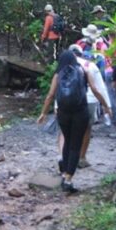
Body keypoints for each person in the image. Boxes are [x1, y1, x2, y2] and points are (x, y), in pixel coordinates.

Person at [37, 51, 111, 194]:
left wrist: (43, 113)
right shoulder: (84, 70)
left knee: (68, 142)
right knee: (76, 145)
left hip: (63, 113)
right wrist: (106, 106)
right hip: (80, 111)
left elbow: (50, 95)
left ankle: (65, 173)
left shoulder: (58, 75)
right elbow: (95, 90)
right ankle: (68, 179)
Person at [68, 44, 111, 169]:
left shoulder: (65, 65)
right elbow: (99, 87)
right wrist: (107, 106)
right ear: (81, 54)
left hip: (71, 100)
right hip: (90, 100)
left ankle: (69, 157)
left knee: (71, 129)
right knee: (87, 129)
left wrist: (57, 105)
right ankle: (81, 158)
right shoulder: (90, 65)